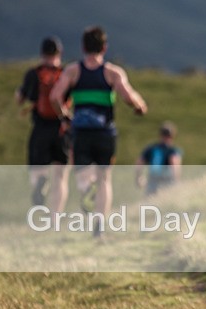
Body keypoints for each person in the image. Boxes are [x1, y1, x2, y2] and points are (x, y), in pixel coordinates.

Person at [50, 26, 148, 236]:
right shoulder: (112, 72)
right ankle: (100, 225)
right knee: (105, 179)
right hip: (105, 133)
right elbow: (128, 96)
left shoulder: (73, 71)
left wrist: (64, 115)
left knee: (82, 174)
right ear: (104, 47)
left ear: (83, 47)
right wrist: (140, 106)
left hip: (81, 132)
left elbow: (54, 97)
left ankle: (87, 188)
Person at [15, 36, 71, 213]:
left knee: (37, 169)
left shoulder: (33, 74)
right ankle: (55, 218)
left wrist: (20, 92)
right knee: (61, 177)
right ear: (60, 52)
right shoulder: (66, 74)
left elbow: (20, 99)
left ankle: (40, 182)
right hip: (62, 129)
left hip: (40, 128)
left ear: (42, 53)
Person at [136, 121, 183, 196]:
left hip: (152, 180)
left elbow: (139, 162)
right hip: (166, 180)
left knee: (149, 200)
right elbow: (174, 164)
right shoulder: (173, 150)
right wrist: (177, 181)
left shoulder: (151, 148)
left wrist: (138, 177)